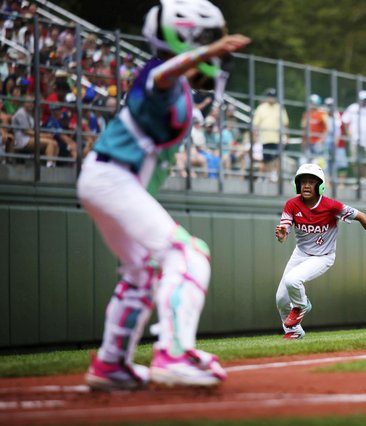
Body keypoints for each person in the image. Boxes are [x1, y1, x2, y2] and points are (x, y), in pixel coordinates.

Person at [76, 0, 249, 390]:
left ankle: (111, 364)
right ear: (183, 37)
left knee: (142, 271)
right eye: (205, 38)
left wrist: (201, 57)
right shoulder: (157, 73)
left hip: (108, 180)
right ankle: (172, 353)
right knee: (189, 254)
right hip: (112, 178)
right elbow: (166, 73)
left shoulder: (177, 85)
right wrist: (206, 52)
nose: (213, 48)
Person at [274, 163, 366, 340]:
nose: (307, 185)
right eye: (303, 181)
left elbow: (361, 216)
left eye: (311, 182)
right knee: (281, 298)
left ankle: (302, 305)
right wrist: (282, 235)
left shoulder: (331, 206)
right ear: (297, 185)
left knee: (293, 281)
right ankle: (294, 332)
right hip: (300, 254)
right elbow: (284, 232)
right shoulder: (291, 204)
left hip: (323, 256)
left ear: (320, 185)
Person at [341, 90, 366, 189]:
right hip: (355, 139)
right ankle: (360, 180)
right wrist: (348, 132)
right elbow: (345, 120)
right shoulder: (352, 108)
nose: (364, 102)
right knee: (355, 161)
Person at [252, 88, 288, 181]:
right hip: (265, 138)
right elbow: (256, 123)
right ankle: (269, 177)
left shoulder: (280, 107)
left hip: (277, 138)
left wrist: (286, 136)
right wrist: (255, 136)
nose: (271, 98)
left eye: (273, 96)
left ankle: (275, 176)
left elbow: (285, 123)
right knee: (266, 159)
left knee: (277, 157)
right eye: (270, 96)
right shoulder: (261, 108)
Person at [324, 97, 348, 189]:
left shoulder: (339, 115)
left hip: (339, 145)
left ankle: (341, 184)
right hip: (326, 144)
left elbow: (341, 130)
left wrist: (336, 142)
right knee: (326, 164)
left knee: (342, 164)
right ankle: (328, 183)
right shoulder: (323, 115)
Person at [300, 93, 327, 161]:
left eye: (312, 103)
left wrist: (321, 140)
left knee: (318, 163)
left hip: (318, 142)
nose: (311, 104)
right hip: (308, 142)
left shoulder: (322, 114)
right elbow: (304, 128)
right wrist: (303, 141)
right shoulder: (306, 114)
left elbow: (327, 128)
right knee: (306, 162)